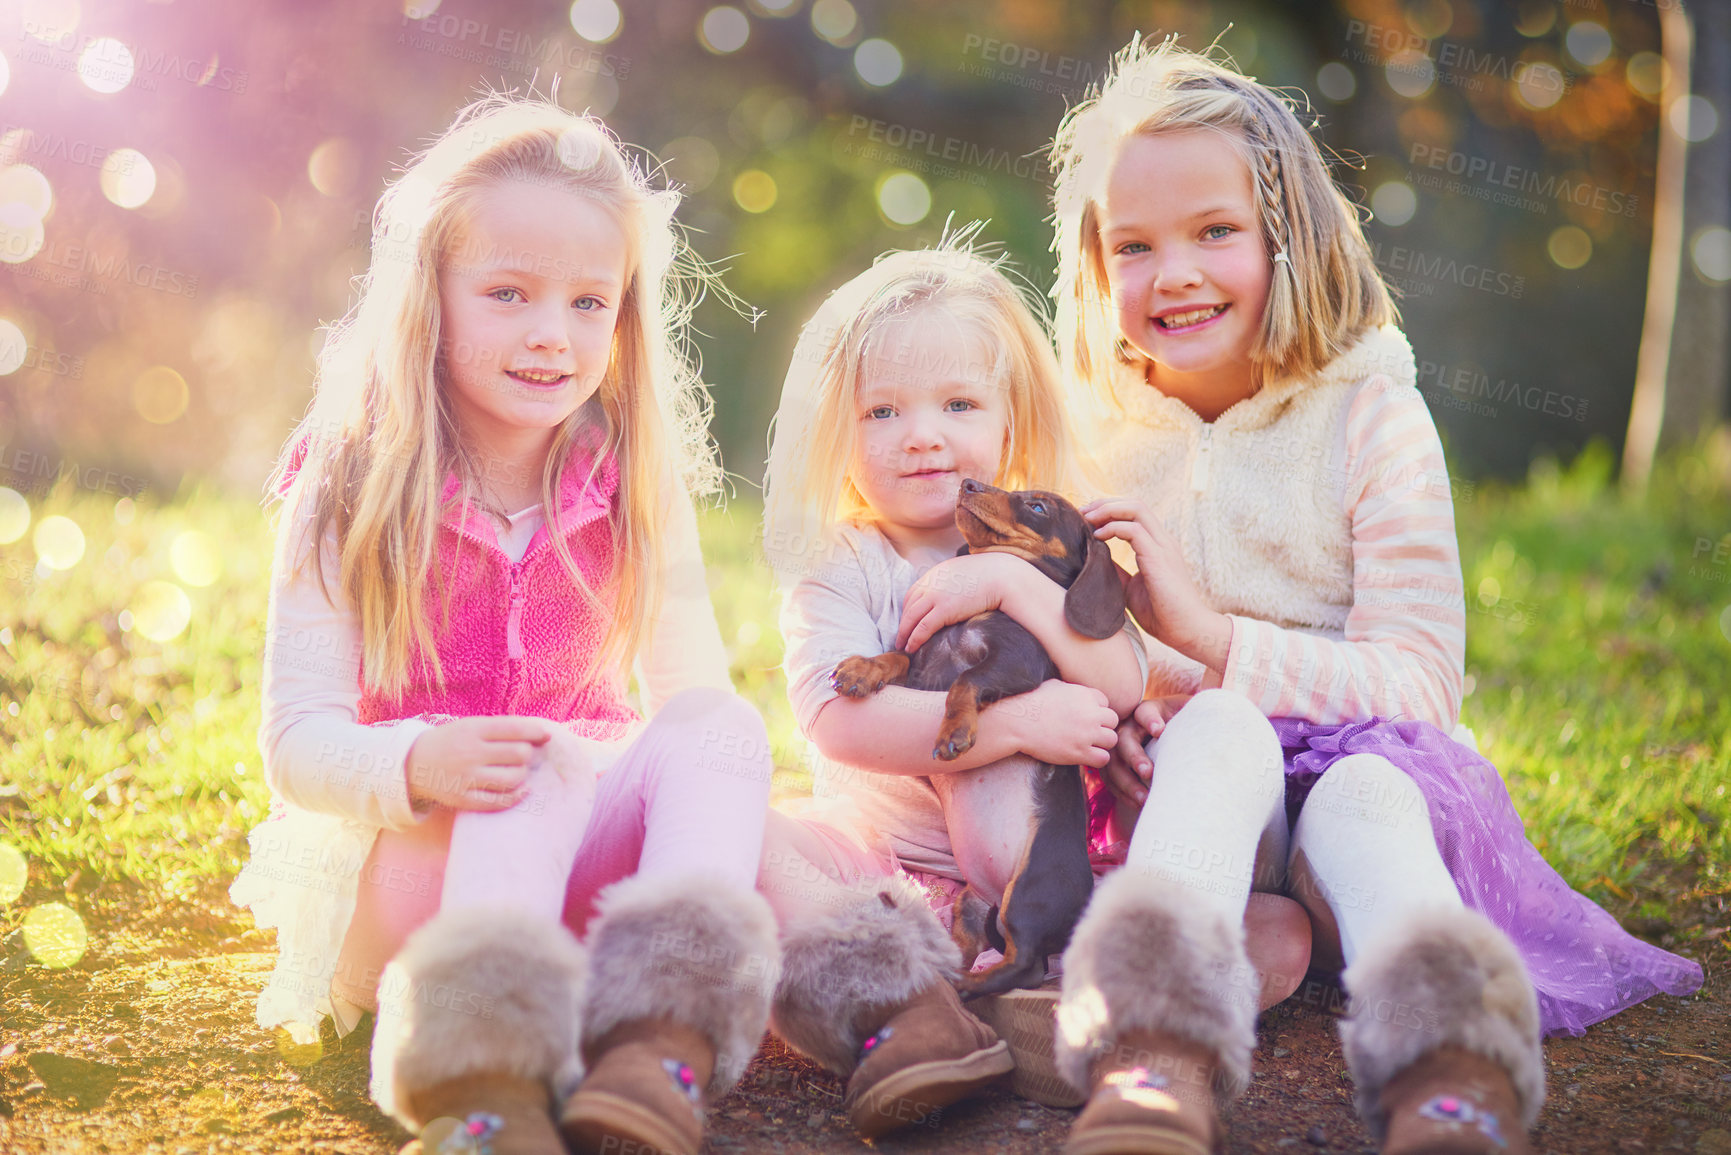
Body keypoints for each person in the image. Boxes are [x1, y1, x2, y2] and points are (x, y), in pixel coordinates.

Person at [1008, 36, 1704, 1155]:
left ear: (1291, 235)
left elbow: (1421, 682)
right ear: (1092, 268)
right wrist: (1130, 708)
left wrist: (1214, 638)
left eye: (1216, 232)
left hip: (1374, 786)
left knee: (1364, 800)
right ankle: (1154, 1050)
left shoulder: (1372, 417)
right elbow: (1063, 642)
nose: (1175, 273)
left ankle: (1452, 1068)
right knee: (1220, 730)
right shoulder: (1088, 442)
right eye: (1134, 246)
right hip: (1190, 805)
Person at [228, 94, 780, 1155]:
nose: (551, 335)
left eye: (588, 303)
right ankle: (483, 1087)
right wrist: (423, 759)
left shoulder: (632, 487)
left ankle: (655, 1048)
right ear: (429, 298)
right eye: (508, 294)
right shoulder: (350, 483)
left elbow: (689, 708)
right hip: (417, 874)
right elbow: (296, 745)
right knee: (544, 768)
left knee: (724, 732)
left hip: (577, 876)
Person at [754, 232, 1312, 1141]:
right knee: (758, 836)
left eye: (958, 403)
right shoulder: (842, 562)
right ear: (835, 429)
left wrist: (1015, 589)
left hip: (1051, 861)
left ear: (1009, 421)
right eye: (882, 411)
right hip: (905, 872)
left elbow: (1122, 677)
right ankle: (937, 1002)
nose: (922, 434)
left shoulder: (1039, 544)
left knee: (1279, 930)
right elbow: (837, 719)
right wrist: (1016, 725)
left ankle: (1064, 982)